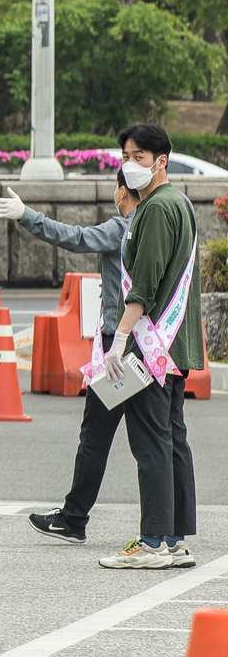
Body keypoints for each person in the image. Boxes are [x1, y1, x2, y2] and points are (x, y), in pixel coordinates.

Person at [0, 176, 194, 559]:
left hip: (122, 349)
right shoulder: (173, 219)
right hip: (163, 344)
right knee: (168, 437)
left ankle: (83, 521)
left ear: (122, 192)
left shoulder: (124, 227)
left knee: (111, 437)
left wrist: (26, 215)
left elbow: (76, 237)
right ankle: (174, 533)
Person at [93, 123, 204, 569]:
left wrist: (120, 339)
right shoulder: (182, 203)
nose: (130, 164)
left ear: (161, 160)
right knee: (173, 438)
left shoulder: (157, 208)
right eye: (126, 156)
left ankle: (153, 540)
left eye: (139, 157)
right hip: (175, 345)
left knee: (151, 441)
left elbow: (145, 285)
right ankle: (174, 539)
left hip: (152, 344)